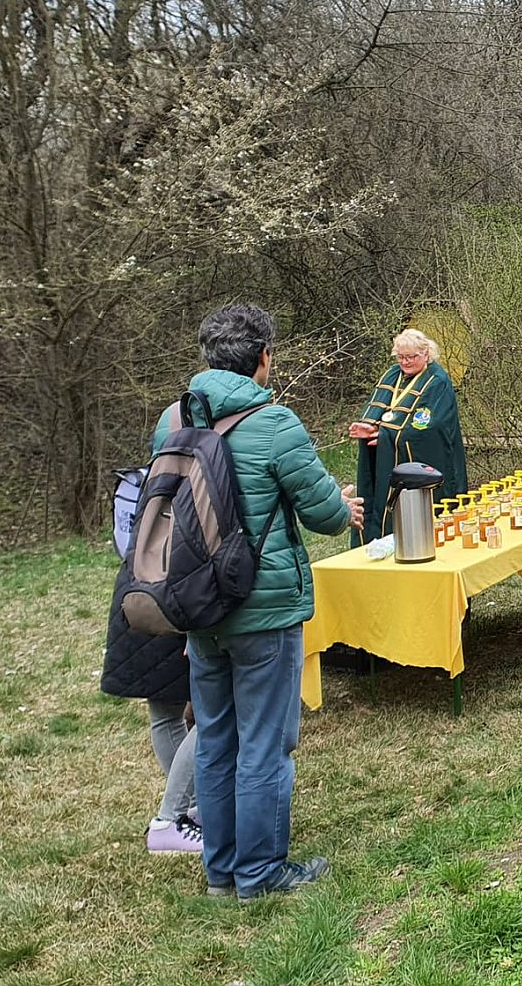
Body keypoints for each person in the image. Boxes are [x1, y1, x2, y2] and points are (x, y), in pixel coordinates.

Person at [153, 305, 364, 899]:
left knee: (216, 738)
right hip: (263, 609)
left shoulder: (174, 420)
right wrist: (342, 502)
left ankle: (221, 871)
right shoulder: (274, 423)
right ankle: (260, 873)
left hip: (198, 605)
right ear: (264, 357)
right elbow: (325, 514)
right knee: (265, 746)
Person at [349, 329, 468, 544]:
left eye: (411, 357)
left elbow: (430, 424)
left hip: (421, 458)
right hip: (385, 457)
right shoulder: (393, 374)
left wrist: (386, 435)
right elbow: (380, 407)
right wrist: (369, 426)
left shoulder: (437, 380)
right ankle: (378, 541)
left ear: (426, 353)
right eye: (400, 357)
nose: (405, 362)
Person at [100, 605, 201, 854]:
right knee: (215, 721)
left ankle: (195, 812)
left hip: (141, 612)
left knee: (167, 717)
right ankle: (172, 819)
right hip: (174, 616)